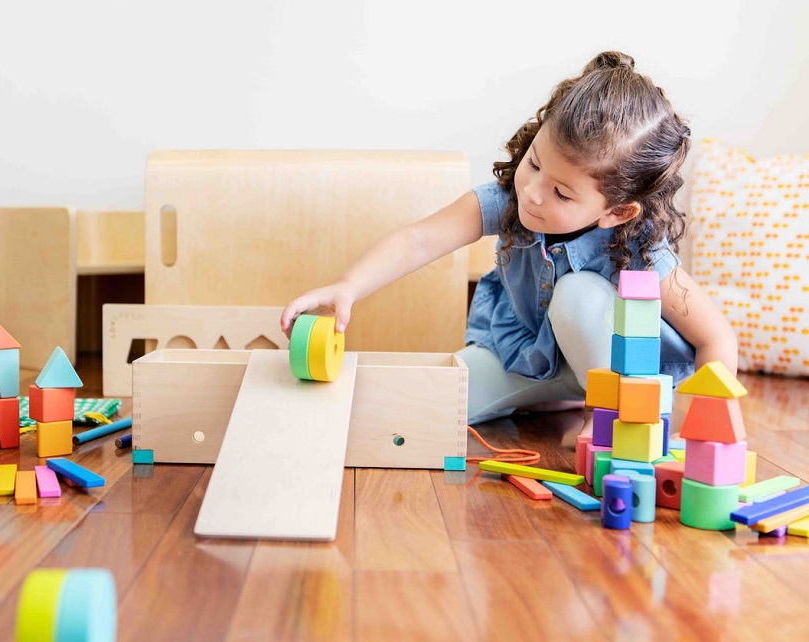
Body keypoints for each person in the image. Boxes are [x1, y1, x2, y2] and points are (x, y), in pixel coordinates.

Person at [280, 51, 738, 426]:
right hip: (533, 356)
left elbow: (715, 336)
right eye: (535, 163)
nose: (532, 194)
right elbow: (419, 240)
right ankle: (554, 398)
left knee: (576, 293)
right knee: (437, 404)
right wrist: (349, 285)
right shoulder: (509, 201)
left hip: (621, 382)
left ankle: (607, 420)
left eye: (561, 192)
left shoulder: (641, 250)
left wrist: (705, 431)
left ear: (616, 211)